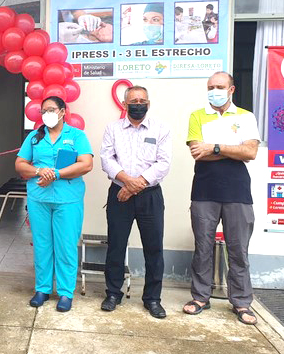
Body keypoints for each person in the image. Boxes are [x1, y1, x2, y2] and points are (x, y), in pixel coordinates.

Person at [183, 72, 260, 325]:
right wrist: (233, 149)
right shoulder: (197, 115)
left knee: (238, 250)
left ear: (231, 89)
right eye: (210, 87)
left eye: (219, 86)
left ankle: (241, 302)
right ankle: (200, 297)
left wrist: (215, 147)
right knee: (202, 248)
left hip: (238, 191)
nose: (214, 91)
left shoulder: (245, 116)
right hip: (204, 190)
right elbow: (198, 152)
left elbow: (250, 152)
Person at [15, 96, 93, 312]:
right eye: (43, 111)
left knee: (66, 246)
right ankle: (42, 289)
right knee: (42, 245)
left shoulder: (76, 136)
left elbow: (86, 164)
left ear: (62, 111)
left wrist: (56, 174)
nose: (47, 114)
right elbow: (20, 164)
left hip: (68, 200)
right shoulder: (34, 137)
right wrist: (40, 170)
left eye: (51, 109)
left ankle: (66, 292)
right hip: (39, 199)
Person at [100, 86, 171, 318]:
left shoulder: (161, 128)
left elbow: (163, 163)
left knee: (154, 248)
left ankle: (152, 299)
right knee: (116, 245)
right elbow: (106, 159)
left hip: (150, 195)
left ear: (148, 104)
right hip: (119, 193)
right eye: (133, 101)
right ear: (124, 104)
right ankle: (113, 293)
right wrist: (127, 182)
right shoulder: (113, 128)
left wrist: (134, 185)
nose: (138, 104)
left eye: (142, 101)